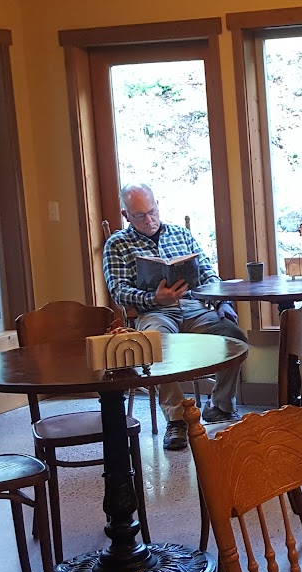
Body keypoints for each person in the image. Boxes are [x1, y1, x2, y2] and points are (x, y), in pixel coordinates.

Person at [103, 183, 245, 450]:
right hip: (154, 312)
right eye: (140, 216)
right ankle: (177, 418)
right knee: (156, 342)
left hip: (192, 307)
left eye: (153, 211)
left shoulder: (181, 234)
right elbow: (119, 291)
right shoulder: (117, 244)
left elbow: (207, 272)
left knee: (234, 337)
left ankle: (220, 407)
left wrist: (223, 300)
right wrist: (154, 299)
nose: (149, 220)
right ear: (126, 216)